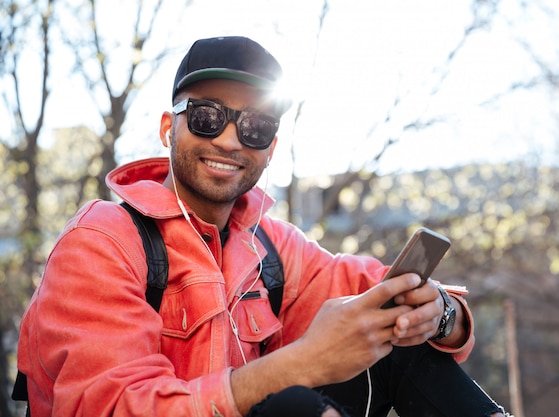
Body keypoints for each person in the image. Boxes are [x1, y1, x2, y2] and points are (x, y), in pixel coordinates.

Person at [15, 36, 507, 417]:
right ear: (169, 128)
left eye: (255, 126)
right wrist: (301, 365)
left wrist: (442, 315)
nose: (230, 140)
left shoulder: (271, 246)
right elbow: (112, 407)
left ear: (270, 148)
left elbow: (376, 288)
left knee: (391, 334)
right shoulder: (103, 241)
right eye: (208, 116)